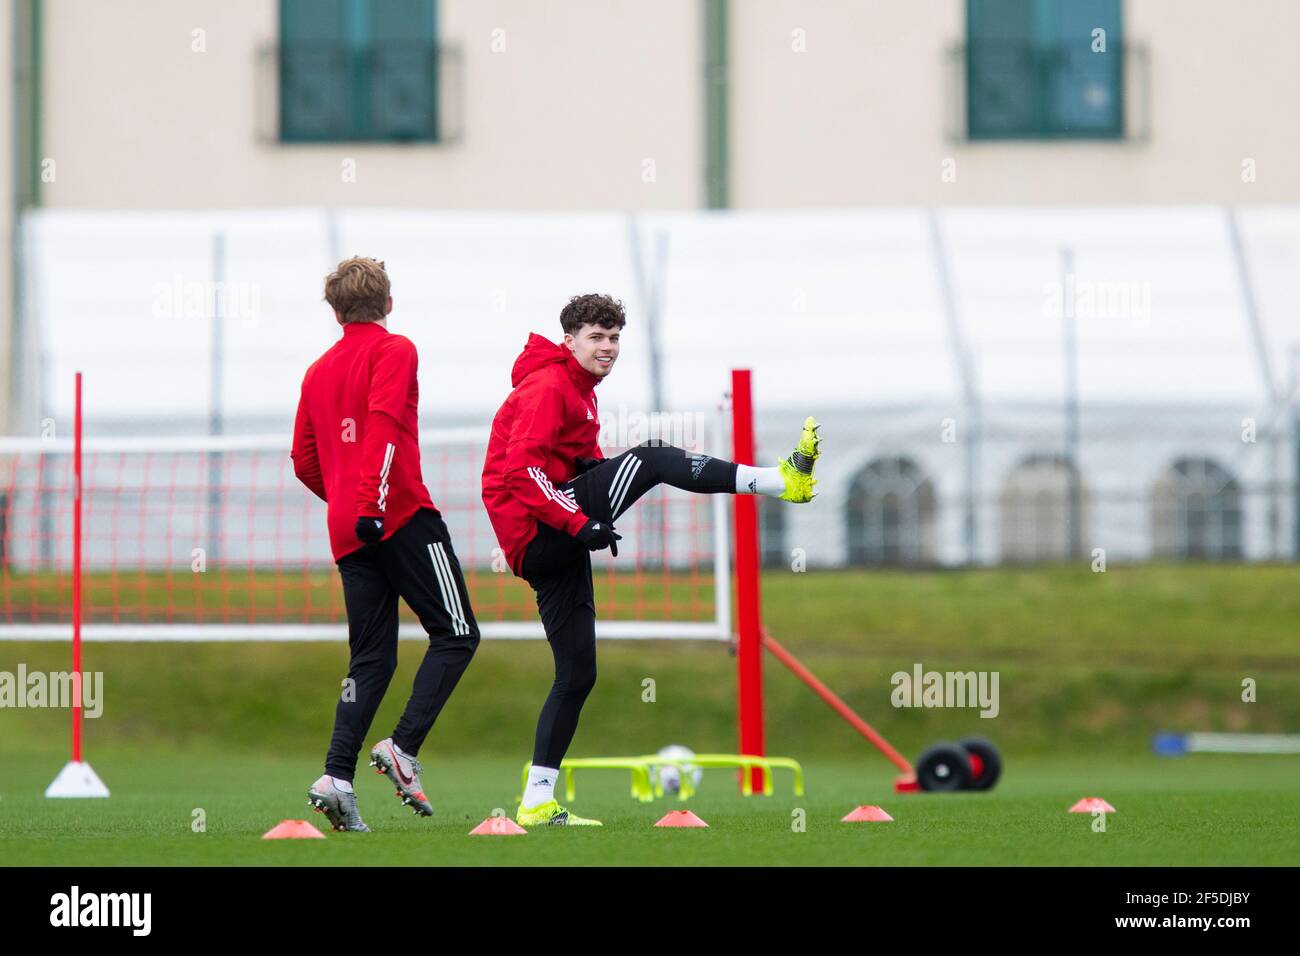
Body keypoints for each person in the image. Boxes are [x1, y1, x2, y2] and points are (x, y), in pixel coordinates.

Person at [481, 293, 820, 827]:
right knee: (655, 456)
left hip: (550, 539)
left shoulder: (580, 391)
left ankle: (535, 802)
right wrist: (579, 521)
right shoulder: (549, 386)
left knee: (577, 673)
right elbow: (521, 473)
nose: (608, 347)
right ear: (568, 341)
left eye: (614, 338)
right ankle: (780, 481)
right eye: (596, 337)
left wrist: (590, 498)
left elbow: (574, 462)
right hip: (540, 534)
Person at [291, 256, 480, 832]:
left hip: (349, 528)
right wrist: (372, 503)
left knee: (371, 657)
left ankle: (337, 777)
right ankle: (401, 749)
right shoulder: (396, 350)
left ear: (334, 310)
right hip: (399, 516)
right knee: (457, 633)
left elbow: (303, 461)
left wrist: (348, 500)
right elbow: (385, 427)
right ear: (389, 304)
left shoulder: (317, 369)